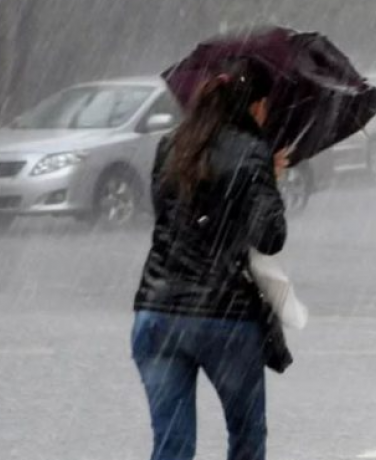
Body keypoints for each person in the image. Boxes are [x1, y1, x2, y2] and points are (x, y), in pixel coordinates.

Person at [131, 57, 289, 460]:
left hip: (157, 312)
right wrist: (268, 180)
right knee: (246, 438)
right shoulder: (252, 152)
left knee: (172, 446)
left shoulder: (171, 145)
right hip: (225, 317)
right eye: (266, 104)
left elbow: (171, 216)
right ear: (254, 105)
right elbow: (269, 237)